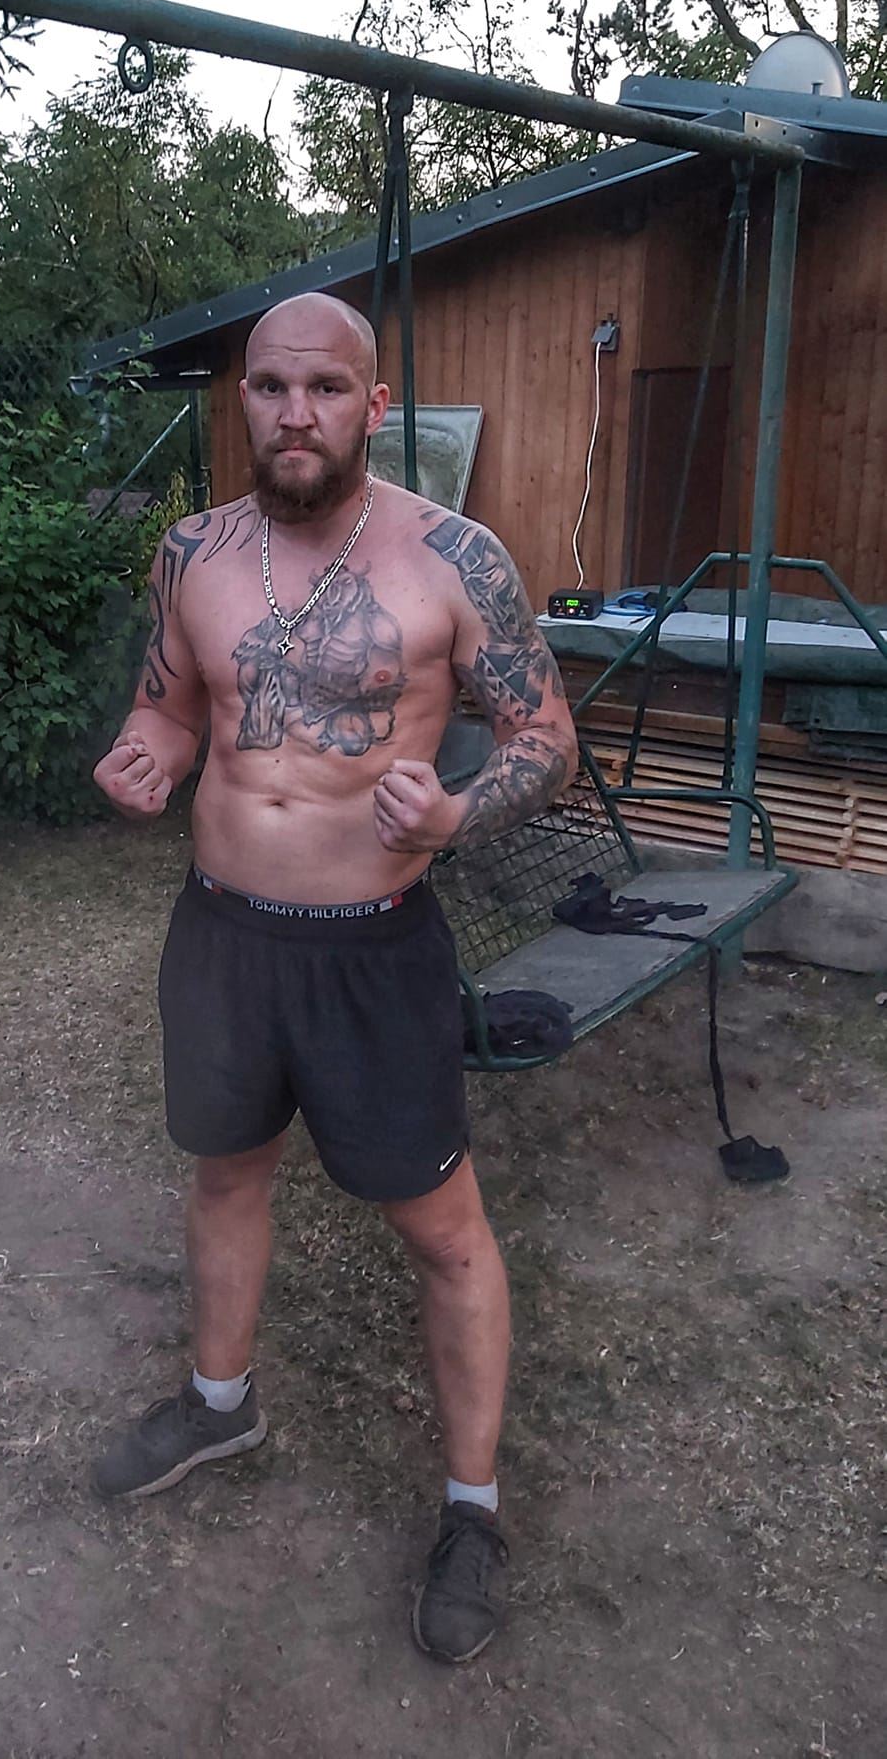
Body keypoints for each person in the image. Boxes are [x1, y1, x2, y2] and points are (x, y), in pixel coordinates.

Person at [90, 290, 577, 1665]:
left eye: (323, 388)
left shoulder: (453, 560)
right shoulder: (193, 549)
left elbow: (547, 739)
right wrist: (152, 752)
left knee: (443, 1234)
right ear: (240, 399)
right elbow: (176, 700)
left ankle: (471, 1510)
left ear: (373, 403)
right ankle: (218, 1401)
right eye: (268, 387)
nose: (292, 413)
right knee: (226, 1173)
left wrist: (458, 815)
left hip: (373, 955)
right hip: (223, 938)